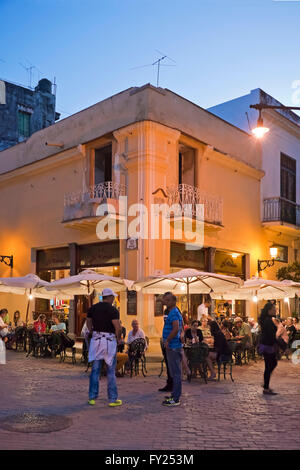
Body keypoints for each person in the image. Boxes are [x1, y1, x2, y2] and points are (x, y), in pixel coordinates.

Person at [87, 288, 122, 407]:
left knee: (95, 370)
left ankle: (92, 397)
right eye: (113, 297)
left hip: (96, 340)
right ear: (110, 297)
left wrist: (92, 331)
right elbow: (117, 327)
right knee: (111, 371)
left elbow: (88, 322)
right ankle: (112, 399)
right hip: (108, 341)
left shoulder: (93, 308)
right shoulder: (113, 310)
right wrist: (119, 338)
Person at [161, 292, 183, 407]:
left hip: (173, 346)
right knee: (175, 372)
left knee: (176, 373)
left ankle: (175, 398)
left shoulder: (174, 312)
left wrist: (167, 340)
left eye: (168, 300)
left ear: (173, 301)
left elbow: (175, 329)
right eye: (165, 300)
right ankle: (174, 394)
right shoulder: (173, 312)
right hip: (174, 346)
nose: (165, 302)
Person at [258, 302, 278, 395]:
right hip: (268, 346)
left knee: (270, 364)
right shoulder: (268, 320)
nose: (276, 310)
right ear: (269, 310)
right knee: (271, 364)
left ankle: (266, 384)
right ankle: (266, 387)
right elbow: (271, 334)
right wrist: (277, 343)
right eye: (274, 309)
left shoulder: (267, 319)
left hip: (266, 345)